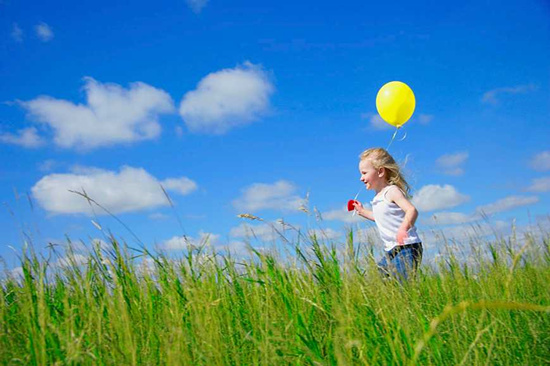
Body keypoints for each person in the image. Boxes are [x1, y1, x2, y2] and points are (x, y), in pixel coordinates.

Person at [353, 147, 423, 281]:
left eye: (364, 173)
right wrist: (362, 211)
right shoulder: (377, 197)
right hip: (392, 250)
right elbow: (380, 219)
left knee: (404, 285)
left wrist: (403, 229)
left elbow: (411, 210)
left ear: (380, 171)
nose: (361, 178)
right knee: (375, 278)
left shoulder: (392, 191)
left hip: (407, 247)